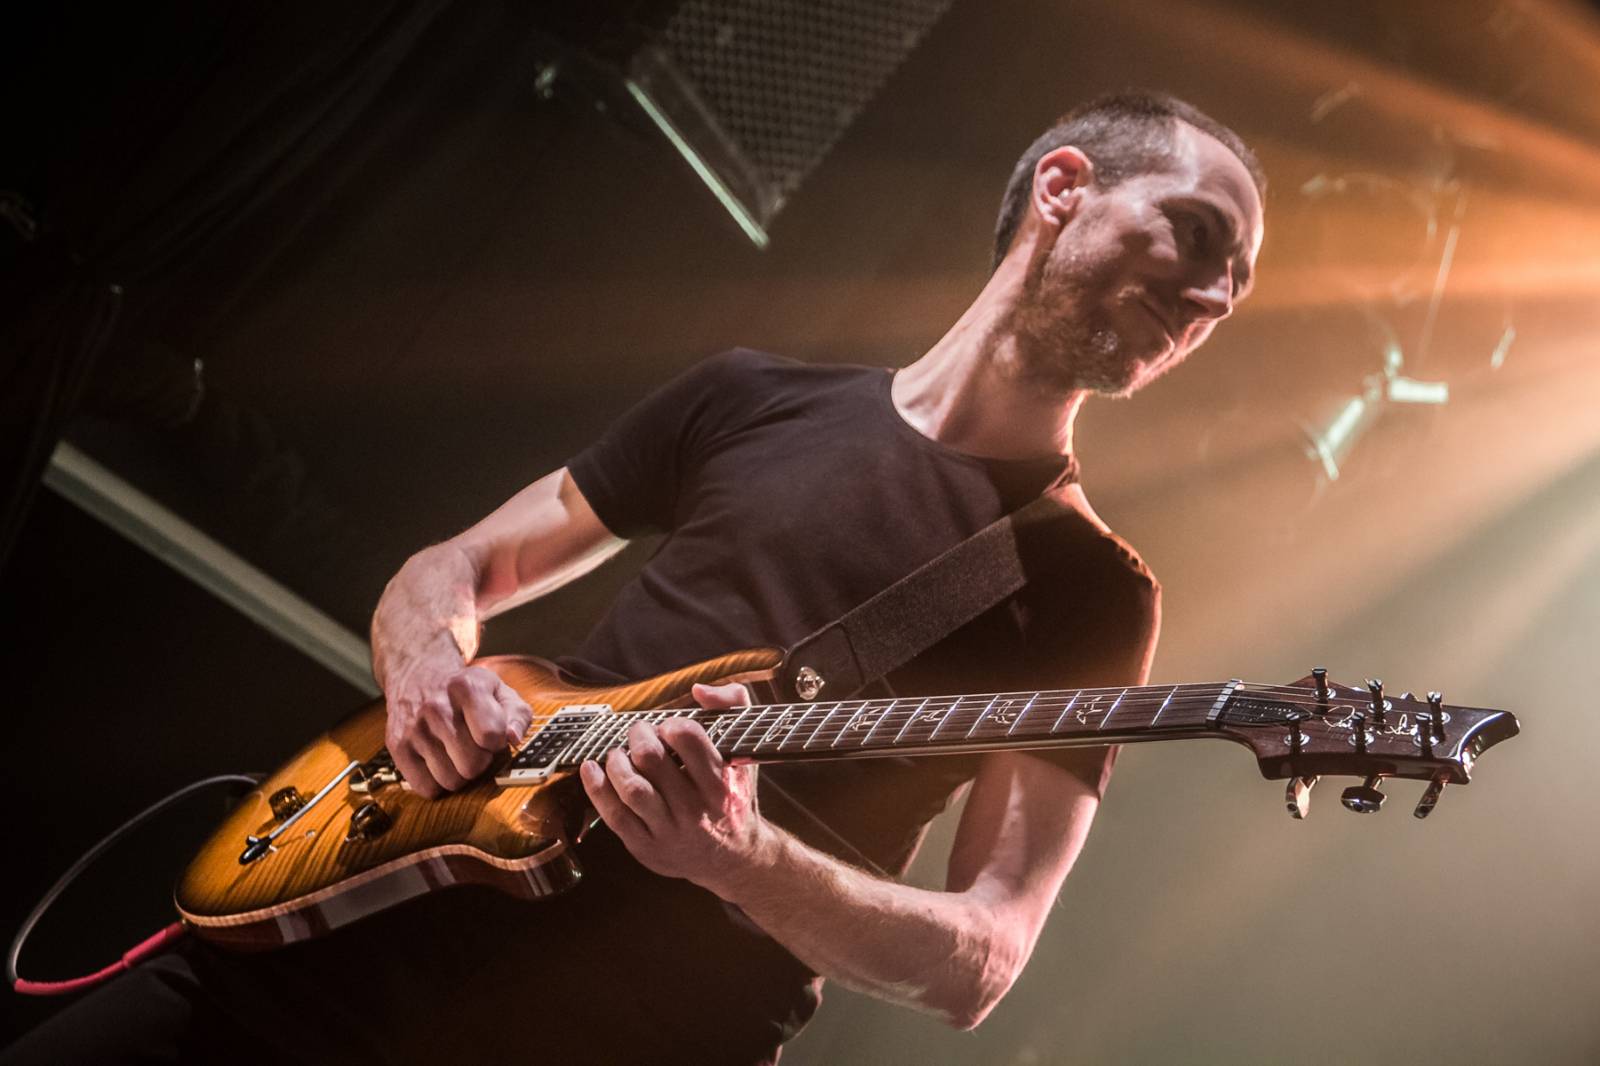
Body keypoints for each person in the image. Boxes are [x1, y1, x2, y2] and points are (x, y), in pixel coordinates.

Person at [3, 90, 1264, 1065]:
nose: (1209, 297)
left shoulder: (1094, 590)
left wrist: (740, 856)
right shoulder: (749, 397)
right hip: (345, 936)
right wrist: (430, 672)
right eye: (1197, 235)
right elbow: (454, 568)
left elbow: (982, 956)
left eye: (1234, 288)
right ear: (1063, 187)